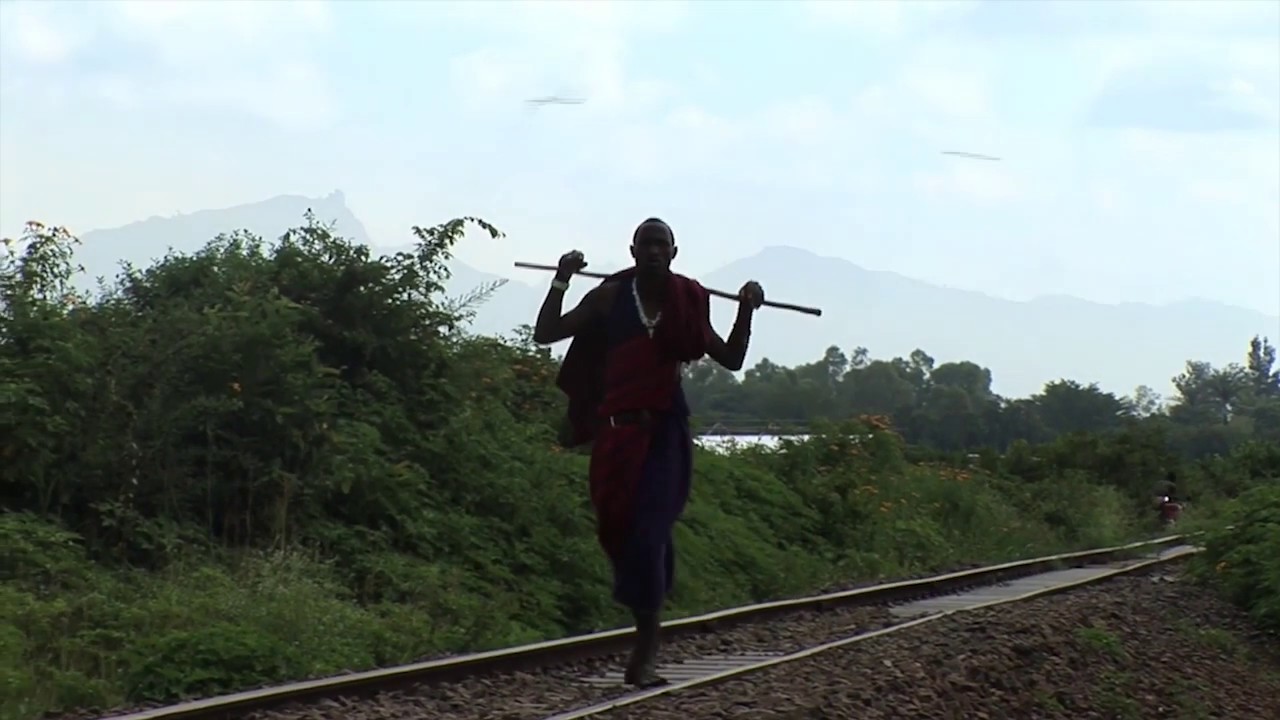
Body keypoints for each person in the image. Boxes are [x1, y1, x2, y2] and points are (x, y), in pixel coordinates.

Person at [532, 218, 763, 687]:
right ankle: (650, 597)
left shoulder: (688, 300)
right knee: (618, 532)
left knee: (649, 530)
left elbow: (732, 358)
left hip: (664, 436)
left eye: (662, 245)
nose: (655, 251)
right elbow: (547, 332)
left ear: (673, 252)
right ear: (633, 251)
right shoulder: (612, 298)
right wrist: (561, 279)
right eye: (647, 245)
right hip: (617, 437)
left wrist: (746, 311)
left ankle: (645, 653)